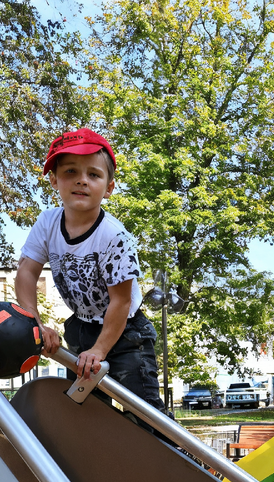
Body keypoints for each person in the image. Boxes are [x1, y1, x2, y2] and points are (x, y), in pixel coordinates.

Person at [14, 128, 164, 410]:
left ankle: (161, 438)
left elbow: (121, 301)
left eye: (94, 174)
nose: (82, 180)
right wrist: (34, 322)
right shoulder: (48, 223)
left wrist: (99, 350)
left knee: (143, 409)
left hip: (125, 332)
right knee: (85, 410)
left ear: (109, 188)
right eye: (70, 171)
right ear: (54, 180)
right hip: (81, 327)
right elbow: (26, 272)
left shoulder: (114, 236)